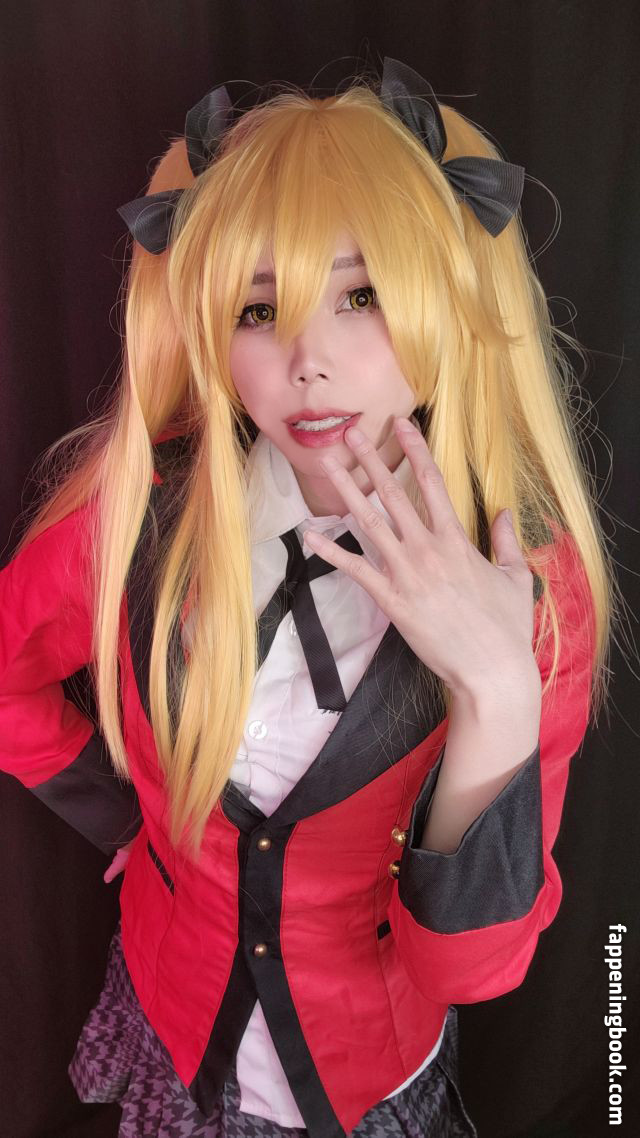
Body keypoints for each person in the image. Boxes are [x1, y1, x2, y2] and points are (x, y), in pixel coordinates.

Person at [0, 57, 615, 1138]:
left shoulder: (534, 589)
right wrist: (124, 812)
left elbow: (474, 970)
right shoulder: (134, 517)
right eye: (257, 308)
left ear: (444, 298)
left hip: (360, 1067)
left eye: (361, 294)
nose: (306, 359)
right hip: (176, 1008)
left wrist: (496, 692)